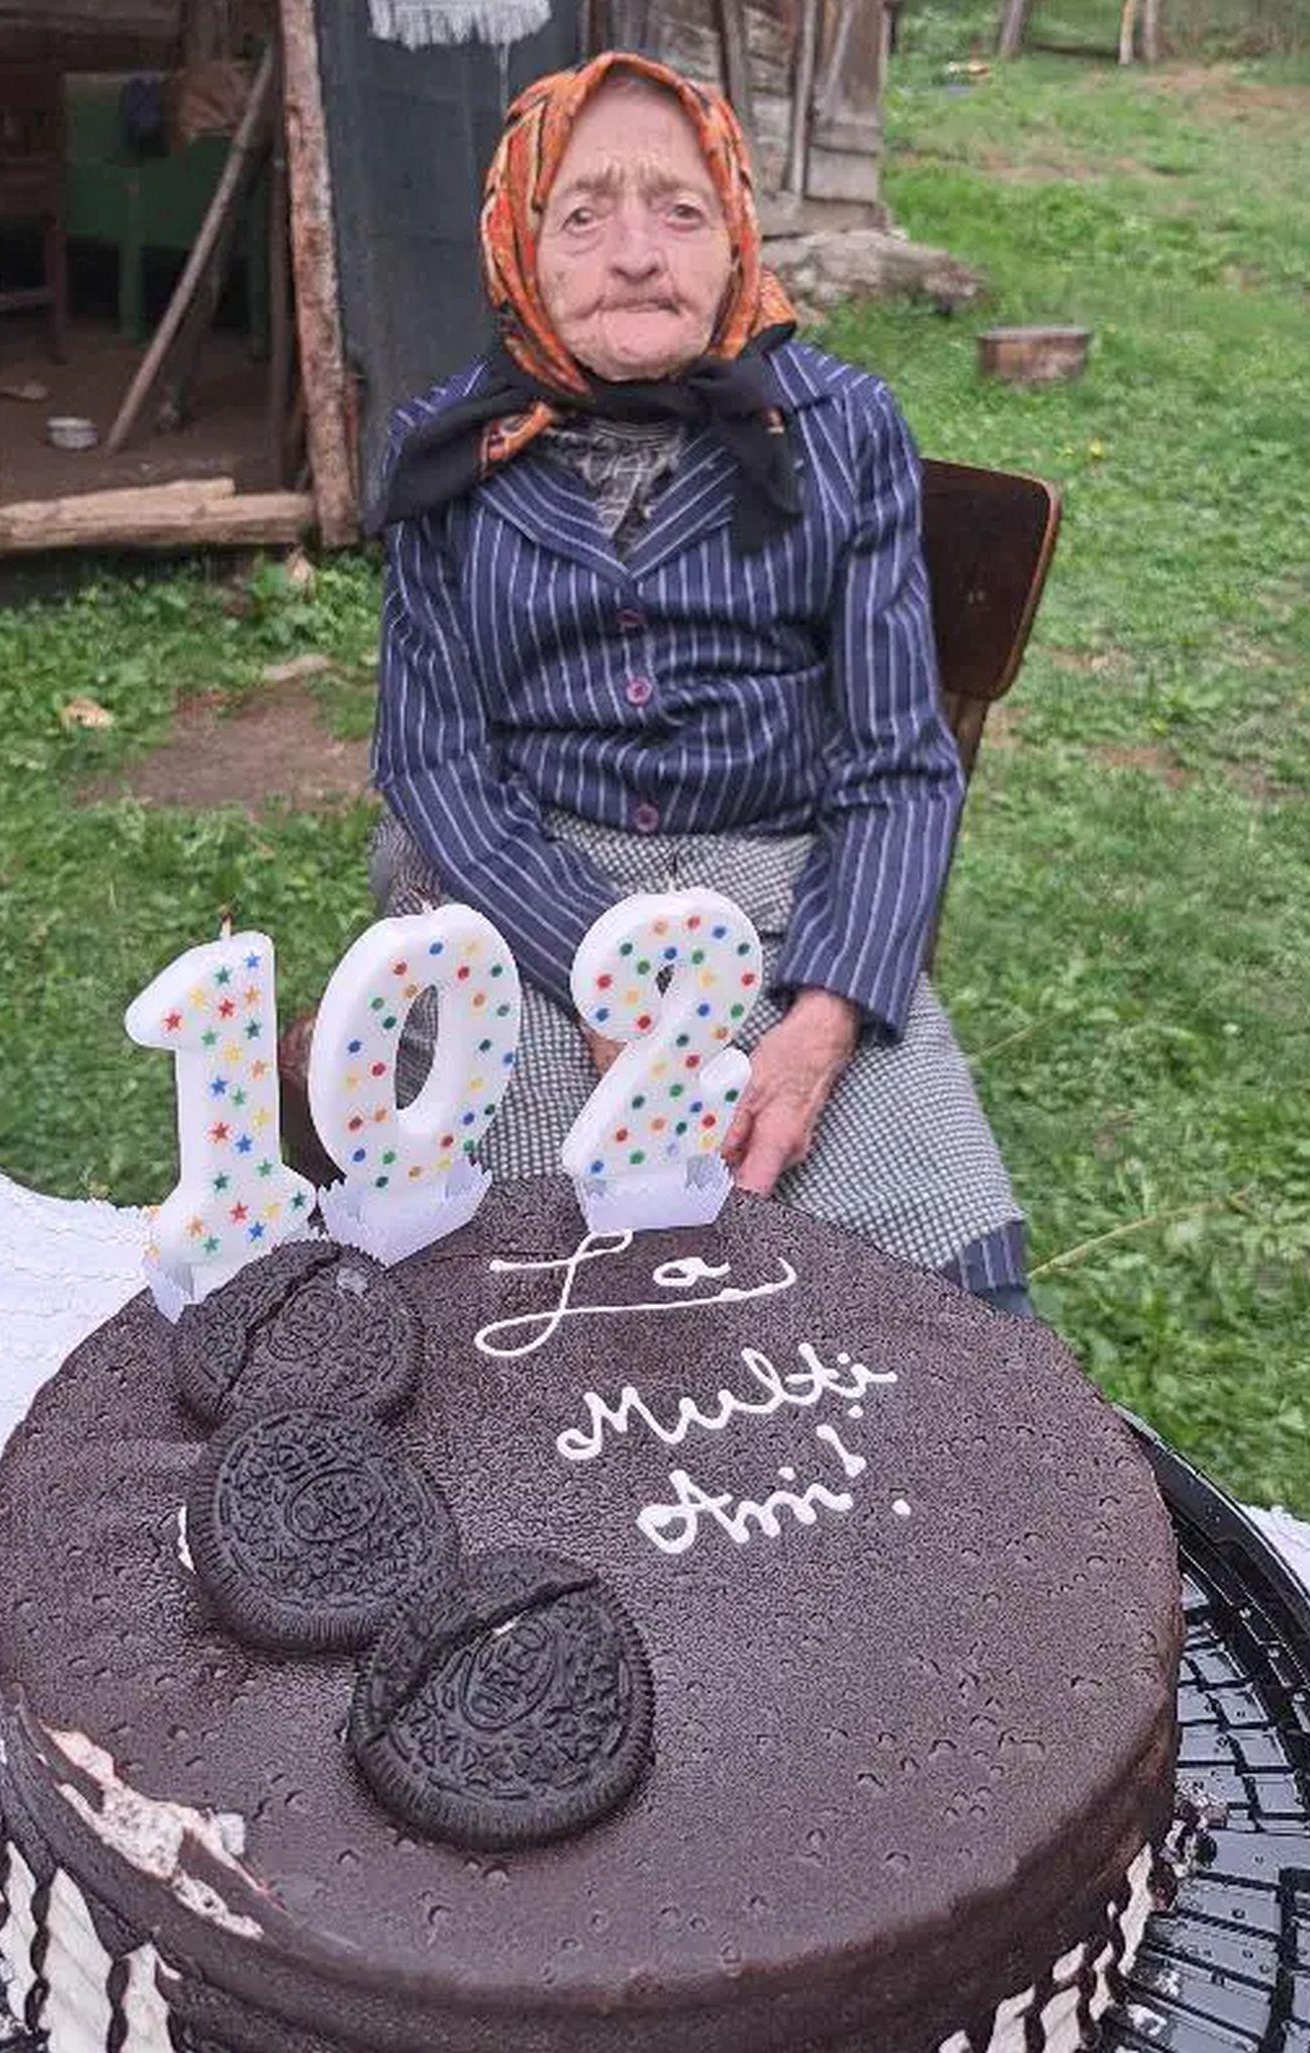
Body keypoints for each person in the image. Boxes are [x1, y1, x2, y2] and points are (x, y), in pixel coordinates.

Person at [369, 51, 1031, 1316]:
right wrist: (607, 985)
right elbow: (433, 762)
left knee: (955, 1313)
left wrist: (818, 1025)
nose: (635, 254)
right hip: (523, 908)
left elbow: (896, 761)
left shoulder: (843, 428)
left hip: (783, 908)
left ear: (734, 236)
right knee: (532, 1299)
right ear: (518, 248)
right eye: (582, 214)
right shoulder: (445, 448)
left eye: (678, 209)